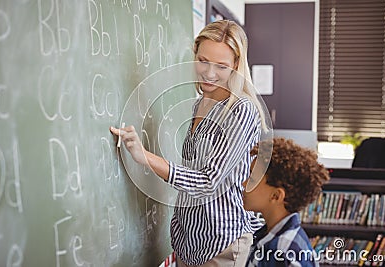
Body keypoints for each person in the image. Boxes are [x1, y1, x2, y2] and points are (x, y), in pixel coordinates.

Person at [110, 20, 269, 266]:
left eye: (221, 66)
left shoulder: (241, 110)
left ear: (236, 65)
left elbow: (208, 181)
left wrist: (144, 156)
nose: (210, 73)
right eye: (203, 61)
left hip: (222, 245)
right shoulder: (199, 104)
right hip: (188, 243)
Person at [243, 138, 330, 267]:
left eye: (252, 179)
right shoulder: (266, 236)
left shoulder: (284, 251)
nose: (243, 184)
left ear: (276, 196)